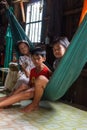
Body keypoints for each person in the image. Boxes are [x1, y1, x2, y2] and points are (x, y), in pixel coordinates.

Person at [0, 47, 52, 112]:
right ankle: (8, 101)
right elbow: (30, 83)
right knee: (22, 86)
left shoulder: (47, 71)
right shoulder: (33, 70)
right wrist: (23, 87)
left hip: (40, 93)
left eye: (38, 59)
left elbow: (47, 84)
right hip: (32, 89)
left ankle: (4, 104)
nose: (36, 61)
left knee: (28, 92)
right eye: (33, 59)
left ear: (44, 59)